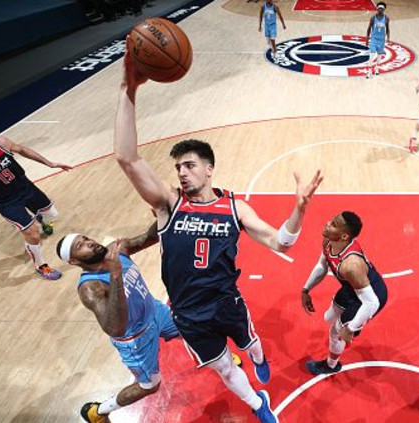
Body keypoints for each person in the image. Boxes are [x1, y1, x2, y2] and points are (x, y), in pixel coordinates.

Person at [115, 52, 323, 423]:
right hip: (188, 314)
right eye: (178, 167)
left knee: (250, 343)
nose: (182, 173)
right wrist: (127, 89)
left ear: (209, 169)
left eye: (189, 165)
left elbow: (282, 243)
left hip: (227, 302)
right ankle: (259, 405)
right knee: (225, 367)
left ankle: (258, 357)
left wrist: (300, 209)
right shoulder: (168, 204)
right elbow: (127, 159)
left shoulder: (234, 207)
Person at [56, 225, 179, 423]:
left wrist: (163, 213)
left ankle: (219, 360)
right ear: (74, 261)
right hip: (136, 339)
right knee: (150, 386)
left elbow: (149, 237)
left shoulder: (118, 249)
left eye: (86, 238)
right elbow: (115, 328)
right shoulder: (90, 287)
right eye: (81, 246)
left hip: (155, 311)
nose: (89, 243)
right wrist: (115, 274)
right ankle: (98, 412)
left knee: (195, 328)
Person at [0, 119, 71, 280]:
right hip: (6, 202)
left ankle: (42, 219)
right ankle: (41, 266)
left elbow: (21, 149)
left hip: (27, 188)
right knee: (33, 234)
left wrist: (50, 163)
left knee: (53, 215)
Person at [301, 211, 389, 375]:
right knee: (329, 317)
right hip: (352, 289)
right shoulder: (329, 241)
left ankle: (331, 365)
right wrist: (306, 289)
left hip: (371, 297)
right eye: (331, 220)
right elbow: (322, 266)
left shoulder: (351, 266)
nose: (327, 224)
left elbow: (372, 302)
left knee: (336, 332)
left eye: (334, 224)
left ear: (344, 236)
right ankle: (353, 325)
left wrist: (351, 328)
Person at [365, 2, 390, 79]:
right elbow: (369, 28)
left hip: (381, 40)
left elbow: (387, 29)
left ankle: (377, 68)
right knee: (372, 55)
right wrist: (367, 39)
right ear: (377, 9)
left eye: (382, 9)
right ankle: (369, 71)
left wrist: (388, 38)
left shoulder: (386, 18)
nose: (380, 10)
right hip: (374, 39)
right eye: (379, 8)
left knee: (379, 56)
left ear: (384, 10)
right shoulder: (373, 18)